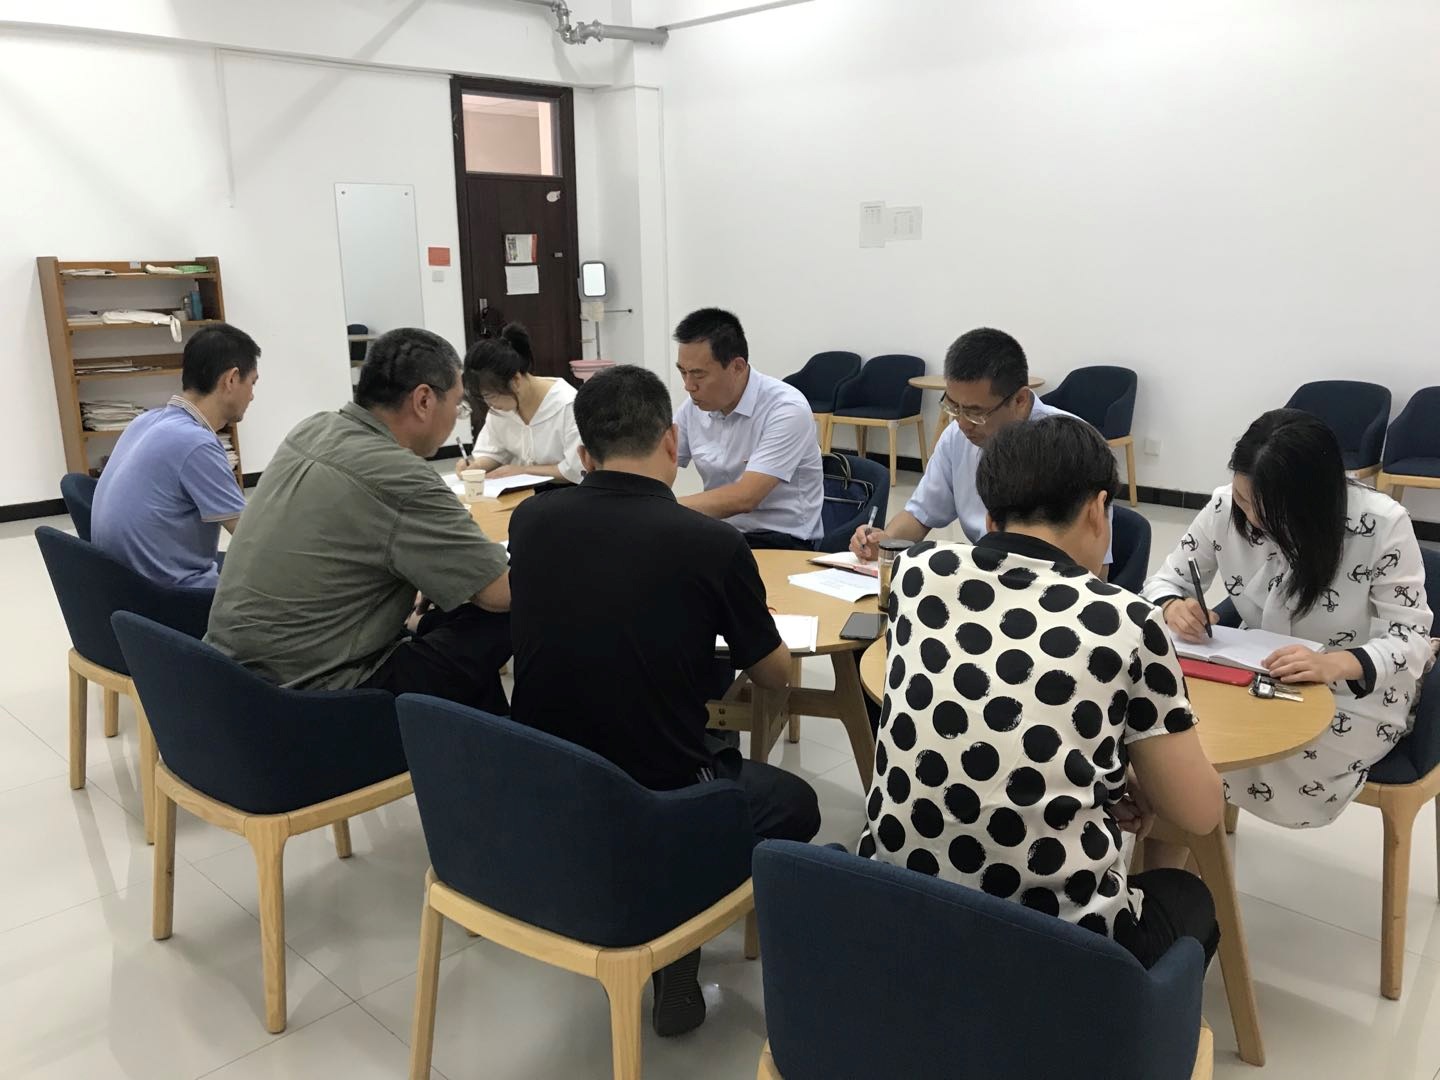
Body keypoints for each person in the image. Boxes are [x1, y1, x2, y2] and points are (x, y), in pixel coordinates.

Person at [508, 364, 820, 1036]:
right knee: (795, 804)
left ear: (584, 454)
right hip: (658, 789)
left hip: (547, 779)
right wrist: (753, 623)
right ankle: (677, 929)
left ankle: (643, 886)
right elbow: (775, 677)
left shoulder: (531, 520)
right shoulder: (710, 543)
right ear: (673, 443)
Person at [861, 415, 1223, 969]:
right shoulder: (1126, 620)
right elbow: (1198, 813)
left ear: (989, 514)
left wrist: (1100, 776)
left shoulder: (914, 574)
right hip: (1052, 945)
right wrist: (1129, 778)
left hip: (894, 899)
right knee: (1190, 897)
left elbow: (987, 708)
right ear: (1099, 511)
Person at [1143, 409, 1433, 828]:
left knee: (1202, 765)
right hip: (1258, 672)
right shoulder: (1226, 505)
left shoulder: (1380, 524)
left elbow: (1412, 637)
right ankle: (1191, 851)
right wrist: (1174, 605)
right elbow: (1165, 580)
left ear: (1313, 501)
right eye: (1244, 500)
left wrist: (1333, 664)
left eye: (1269, 511)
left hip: (1355, 690)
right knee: (1178, 746)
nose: (1252, 519)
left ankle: (1191, 845)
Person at [206, 328, 512, 716]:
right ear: (423, 400)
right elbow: (499, 594)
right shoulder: (401, 476)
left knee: (448, 618)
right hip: (312, 699)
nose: (456, 417)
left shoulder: (313, 429)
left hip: (228, 681)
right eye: (457, 404)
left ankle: (476, 734)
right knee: (513, 611)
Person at [850, 327, 1096, 559]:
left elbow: (1097, 567)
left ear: (1020, 401)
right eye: (953, 407)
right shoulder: (956, 438)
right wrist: (885, 541)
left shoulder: (1072, 447)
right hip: (985, 569)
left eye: (975, 412)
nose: (963, 423)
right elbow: (919, 515)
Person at [91, 323, 258, 588]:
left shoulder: (145, 420)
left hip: (124, 587)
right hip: (173, 597)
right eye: (252, 383)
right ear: (231, 379)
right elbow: (253, 537)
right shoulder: (196, 444)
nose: (252, 396)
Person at [673, 308, 823, 550]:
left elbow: (746, 497)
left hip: (780, 540)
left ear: (737, 367)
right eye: (683, 372)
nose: (689, 386)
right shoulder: (693, 408)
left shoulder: (786, 408)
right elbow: (658, 462)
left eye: (698, 375)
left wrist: (662, 507)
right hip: (721, 532)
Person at [456, 322, 583, 485]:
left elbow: (576, 470)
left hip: (564, 490)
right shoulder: (502, 409)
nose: (490, 404)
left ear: (515, 380)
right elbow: (494, 450)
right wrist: (476, 466)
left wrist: (522, 471)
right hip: (520, 489)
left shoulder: (568, 405)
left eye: (490, 396)